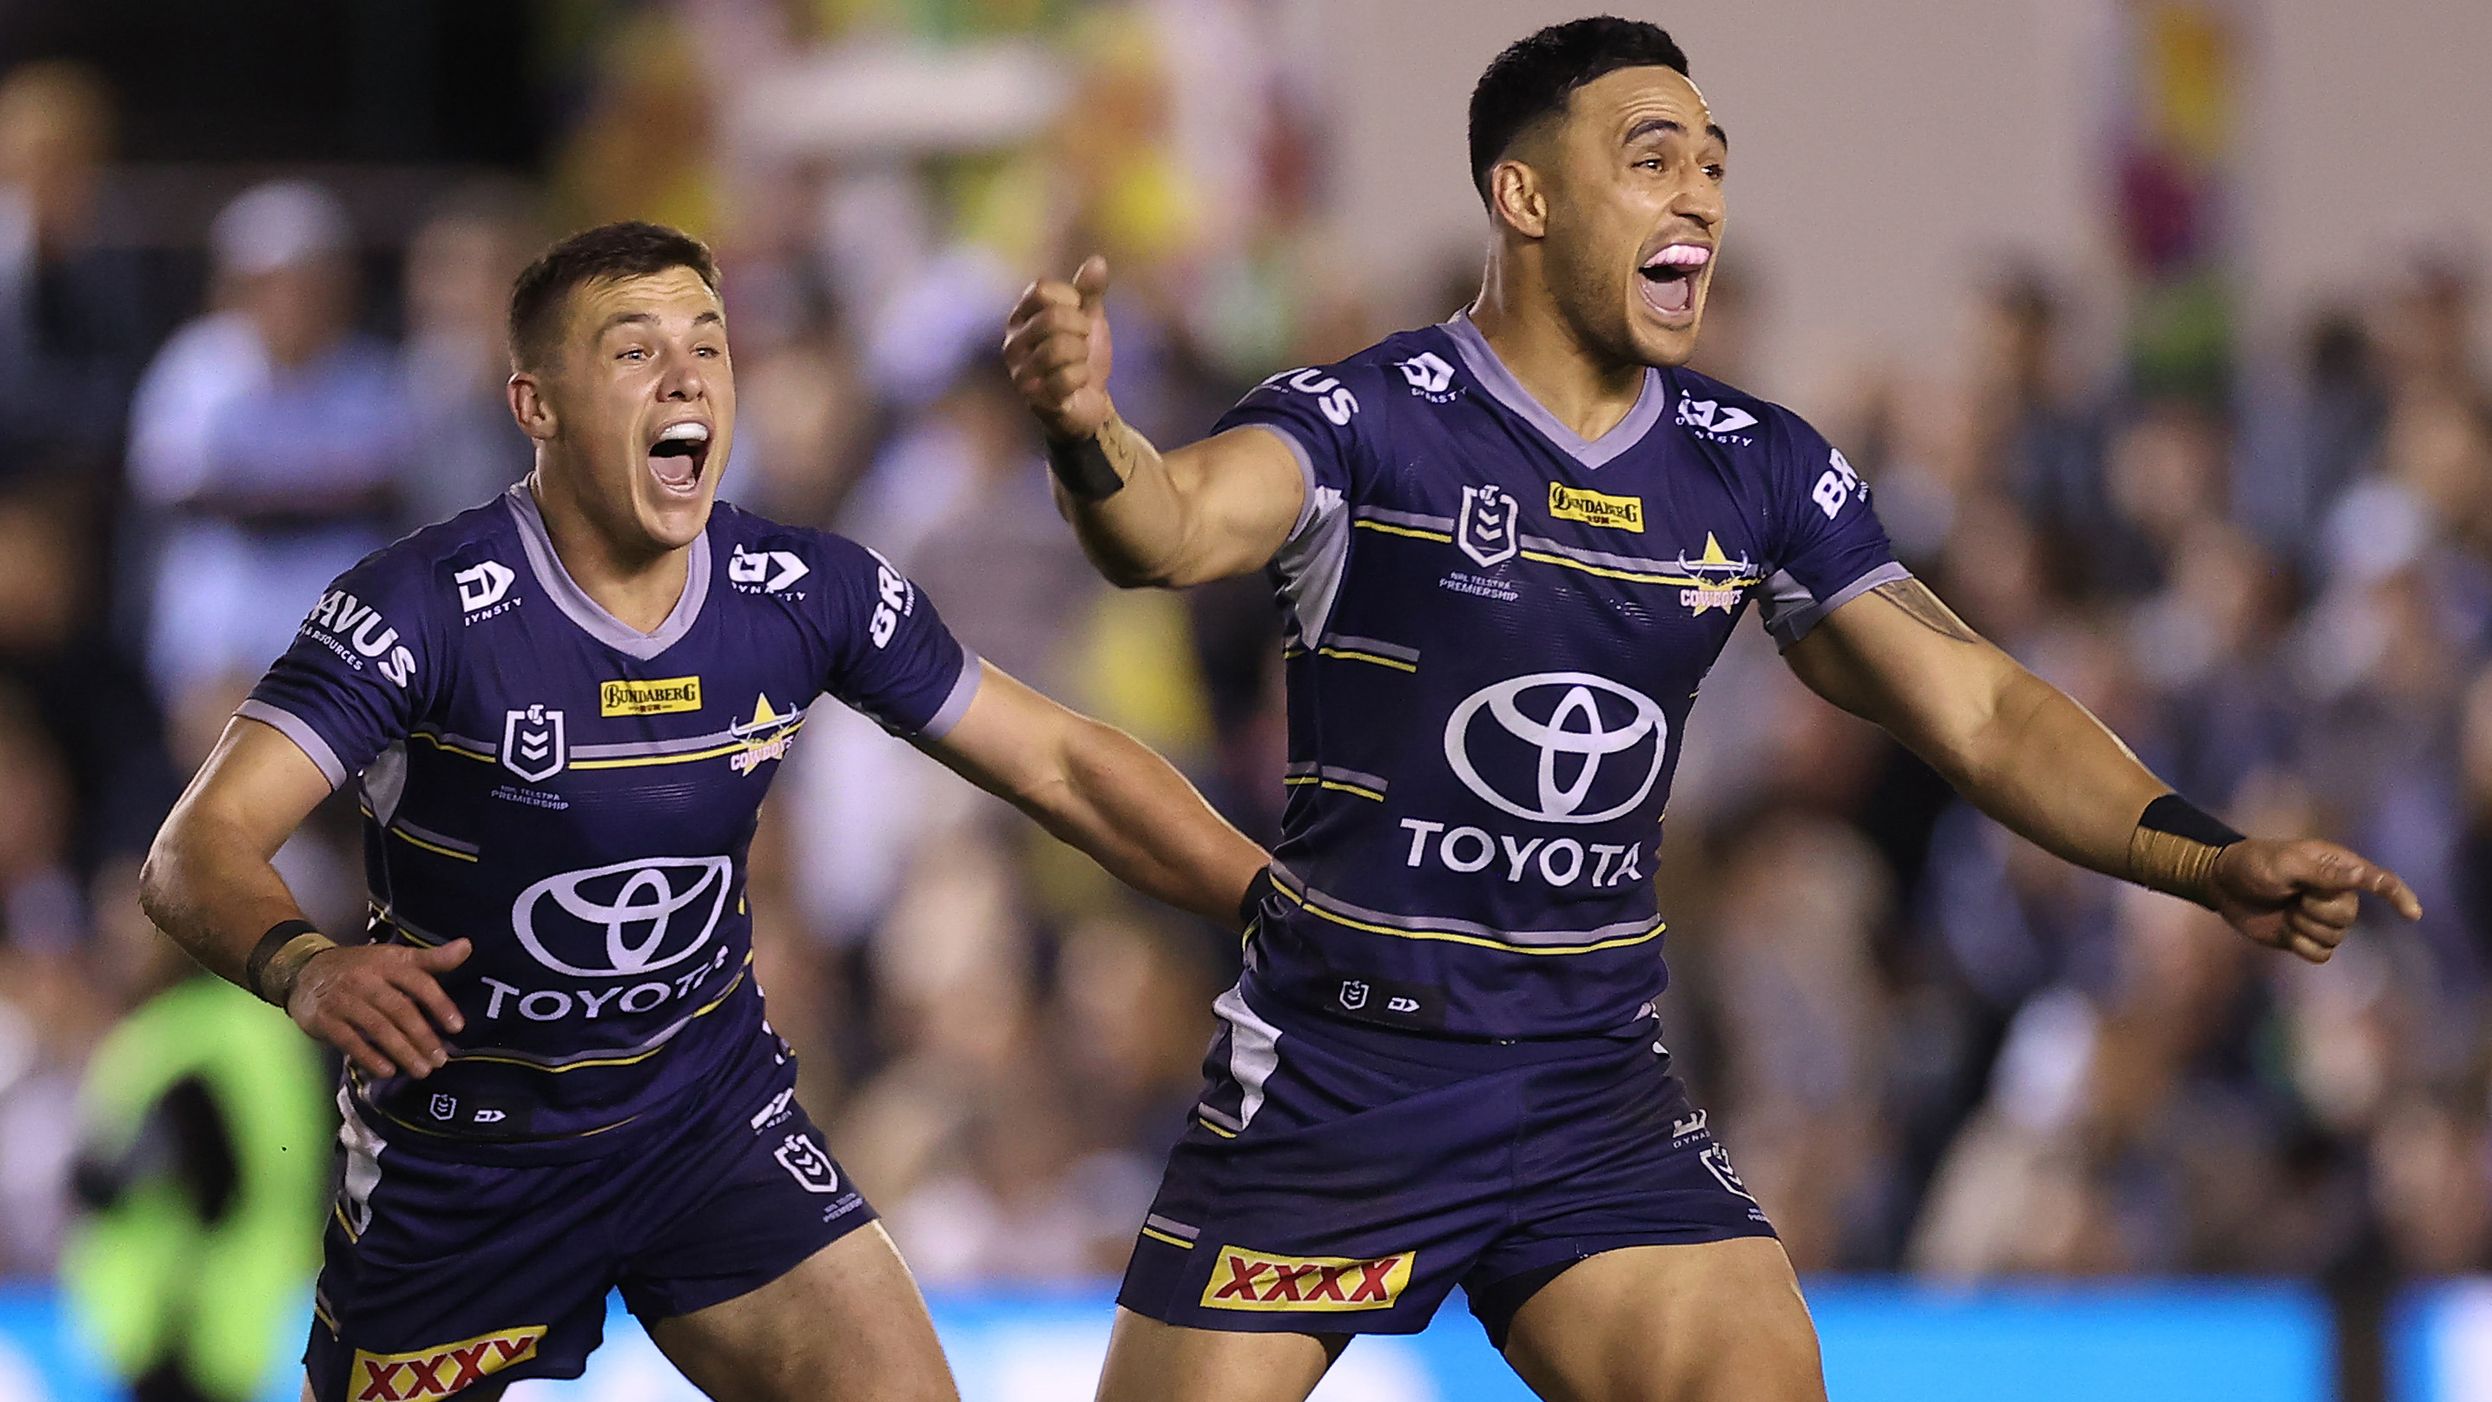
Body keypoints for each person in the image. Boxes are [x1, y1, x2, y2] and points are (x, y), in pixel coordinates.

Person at [1000, 18, 2422, 1402]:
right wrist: (1086, 431)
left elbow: (1981, 709)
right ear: (1526, 195)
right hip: (1344, 1079)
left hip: (1587, 1089)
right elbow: (1169, 529)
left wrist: (2201, 854)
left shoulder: (1757, 470)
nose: (1699, 197)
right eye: (1654, 157)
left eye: (1715, 167)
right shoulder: (1370, 419)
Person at [140, 220, 1269, 1402]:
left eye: (709, 347)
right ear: (536, 406)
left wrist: (1278, 905)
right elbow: (191, 851)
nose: (686, 378)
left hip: (705, 1126)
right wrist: (305, 965)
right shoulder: (417, 609)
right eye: (634, 352)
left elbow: (1063, 765)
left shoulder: (803, 590)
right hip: (470, 1163)